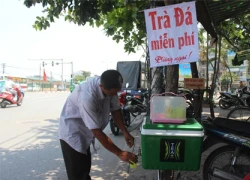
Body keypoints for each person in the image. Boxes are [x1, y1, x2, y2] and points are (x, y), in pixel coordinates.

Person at [58, 69, 138, 180]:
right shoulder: (87, 97)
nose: (114, 95)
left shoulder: (111, 88)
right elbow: (96, 131)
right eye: (112, 93)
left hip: (86, 132)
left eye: (117, 92)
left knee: (85, 170)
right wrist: (119, 153)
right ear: (101, 86)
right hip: (72, 133)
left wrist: (125, 131)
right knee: (77, 174)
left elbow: (115, 110)